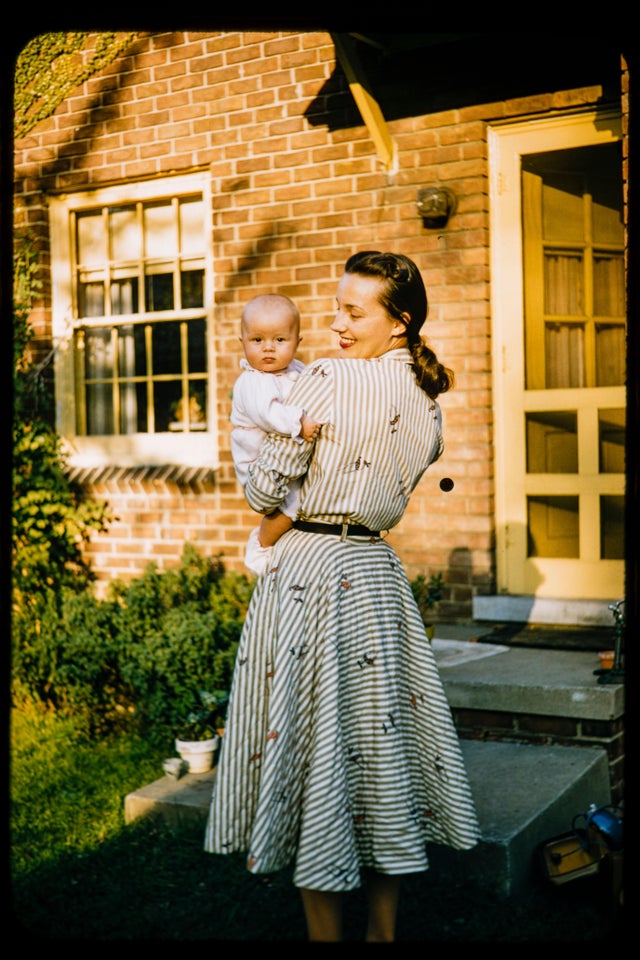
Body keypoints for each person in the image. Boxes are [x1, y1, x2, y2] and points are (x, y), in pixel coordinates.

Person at [205, 252, 480, 941]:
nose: (335, 323)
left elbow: (265, 493)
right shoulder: (426, 402)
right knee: (379, 747)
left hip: (310, 575)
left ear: (399, 322)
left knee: (310, 748)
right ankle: (382, 932)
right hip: (378, 579)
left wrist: (270, 491)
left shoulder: (327, 379)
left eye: (353, 312)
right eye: (337, 308)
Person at [230, 293, 321, 575]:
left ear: (297, 342)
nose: (268, 349)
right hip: (257, 464)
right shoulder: (252, 381)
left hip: (283, 459)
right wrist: (300, 422)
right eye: (257, 340)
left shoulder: (295, 372)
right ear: (242, 342)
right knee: (295, 506)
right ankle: (261, 544)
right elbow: (268, 414)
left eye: (279, 340)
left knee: (308, 498)